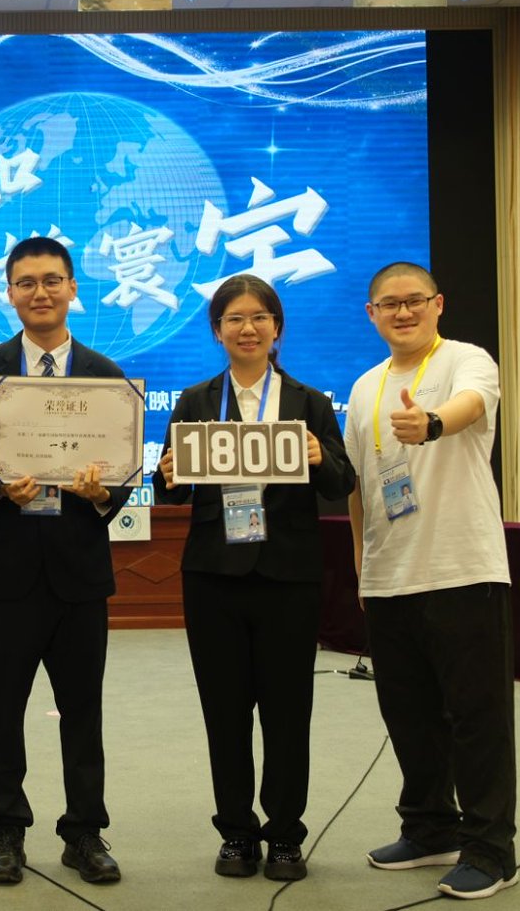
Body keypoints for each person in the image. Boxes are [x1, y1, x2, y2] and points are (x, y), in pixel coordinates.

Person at [152, 275, 355, 883]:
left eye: (259, 317)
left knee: (289, 711)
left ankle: (286, 834)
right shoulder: (195, 401)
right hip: (213, 575)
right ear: (217, 331)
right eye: (234, 319)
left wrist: (320, 457)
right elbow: (170, 492)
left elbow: (342, 482)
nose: (248, 328)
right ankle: (237, 833)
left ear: (277, 328)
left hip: (289, 575)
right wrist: (167, 474)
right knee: (225, 710)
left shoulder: (310, 402)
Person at [0, 236, 131, 887]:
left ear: (73, 287)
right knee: (2, 708)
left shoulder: (106, 374)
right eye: (26, 282)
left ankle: (85, 833)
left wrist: (102, 492)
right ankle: (7, 831)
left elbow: (123, 473)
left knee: (83, 710)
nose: (40, 292)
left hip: (79, 571)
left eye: (52, 280)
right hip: (8, 572)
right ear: (9, 293)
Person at [344, 262, 518, 901]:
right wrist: (363, 569)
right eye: (389, 304)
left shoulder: (467, 360)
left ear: (437, 304)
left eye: (414, 300)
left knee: (477, 717)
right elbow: (360, 487)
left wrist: (433, 423)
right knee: (409, 715)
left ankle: (491, 850)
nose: (403, 312)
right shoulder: (364, 386)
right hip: (390, 578)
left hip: (462, 569)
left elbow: (470, 407)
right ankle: (429, 828)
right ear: (371, 314)